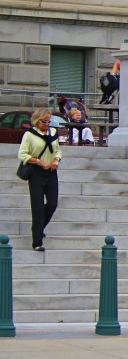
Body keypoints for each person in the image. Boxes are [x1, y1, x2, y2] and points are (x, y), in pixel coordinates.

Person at [17, 107, 62, 252]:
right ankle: (37, 241)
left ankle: (39, 226)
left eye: (49, 121)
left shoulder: (53, 133)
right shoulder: (29, 135)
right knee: (37, 206)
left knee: (52, 204)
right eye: (44, 121)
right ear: (37, 120)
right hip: (36, 172)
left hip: (51, 172)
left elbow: (58, 150)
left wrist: (56, 160)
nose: (47, 124)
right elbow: (22, 154)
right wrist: (37, 161)